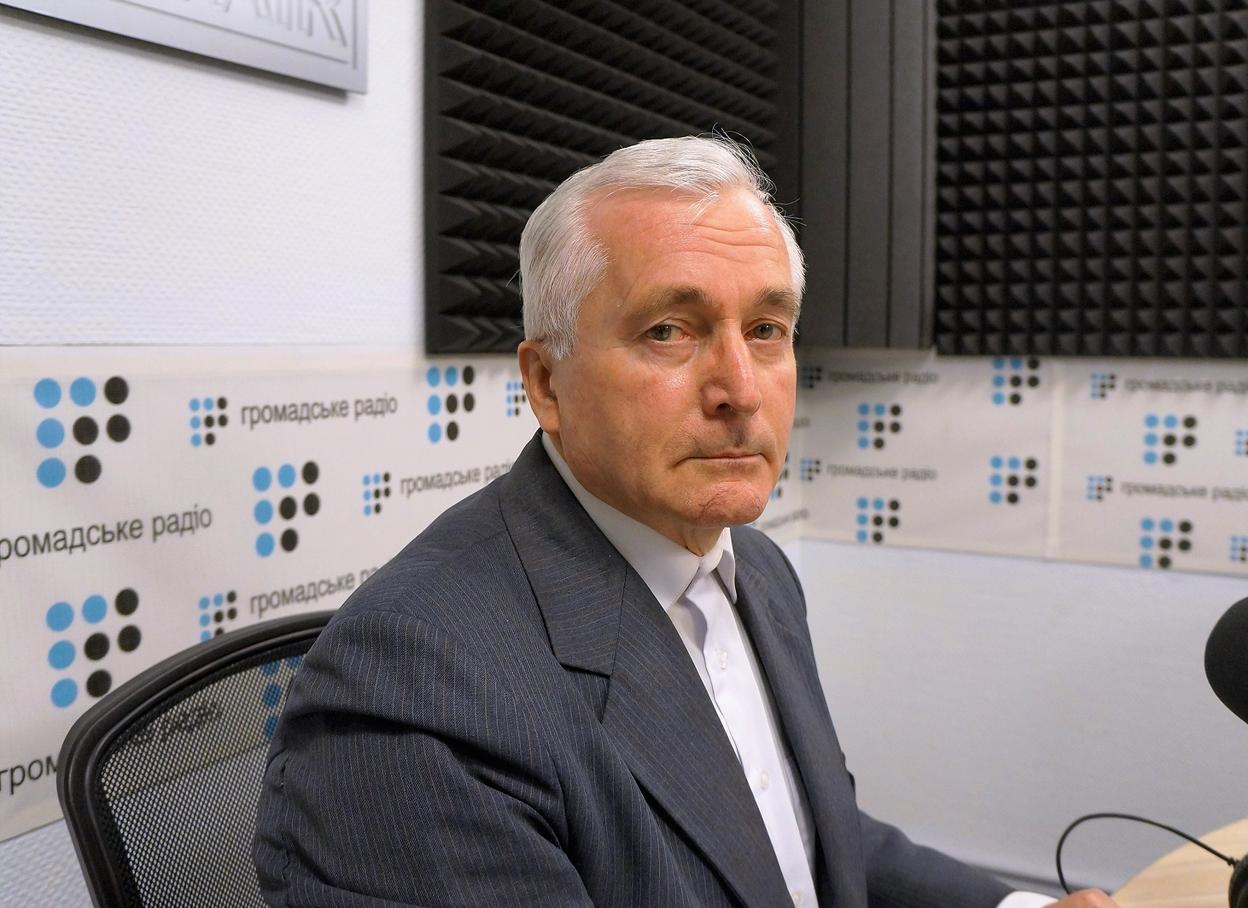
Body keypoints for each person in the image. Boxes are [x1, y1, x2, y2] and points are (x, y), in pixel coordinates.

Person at [254, 136, 1115, 907]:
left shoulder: (756, 569)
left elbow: (810, 845)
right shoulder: (416, 687)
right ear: (547, 383)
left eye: (767, 329)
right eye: (670, 331)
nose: (740, 388)